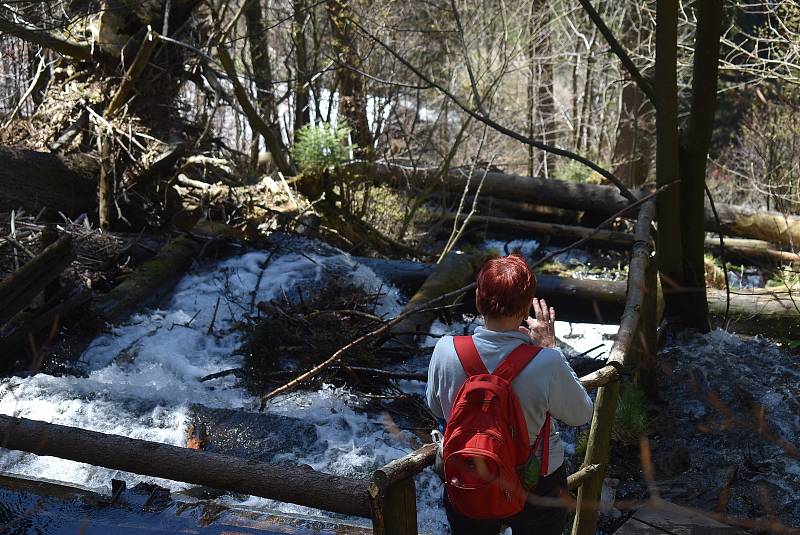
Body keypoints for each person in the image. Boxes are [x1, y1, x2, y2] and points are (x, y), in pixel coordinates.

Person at [426, 253, 594, 535]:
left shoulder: (445, 349)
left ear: (479, 299)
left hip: (467, 474)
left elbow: (436, 407)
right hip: (536, 481)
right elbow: (580, 414)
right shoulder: (547, 362)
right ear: (528, 304)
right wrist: (550, 347)